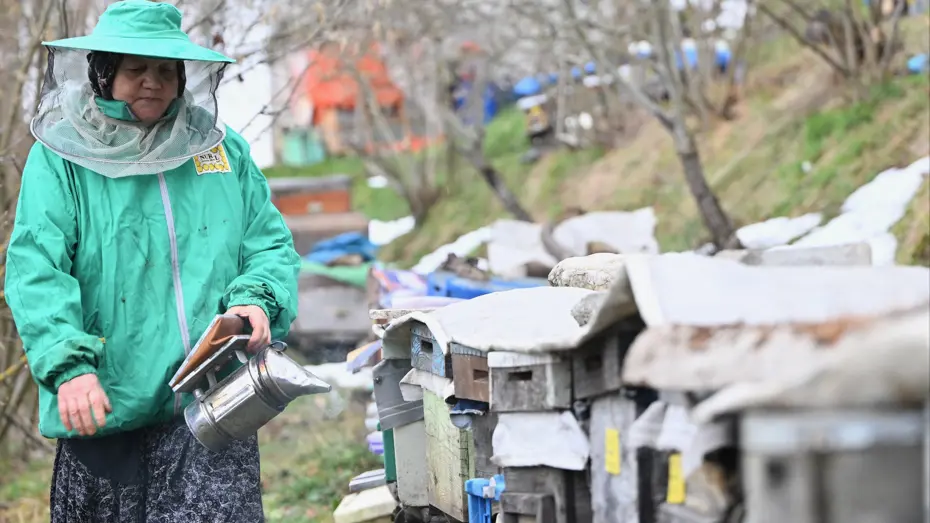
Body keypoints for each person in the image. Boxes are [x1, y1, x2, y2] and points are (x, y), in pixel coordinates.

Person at [3, 1, 300, 521]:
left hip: (212, 406)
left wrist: (258, 299)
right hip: (103, 408)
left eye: (166, 70)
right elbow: (36, 270)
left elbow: (268, 243)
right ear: (103, 72)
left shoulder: (221, 151)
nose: (152, 82)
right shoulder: (60, 158)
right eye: (136, 68)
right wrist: (68, 366)